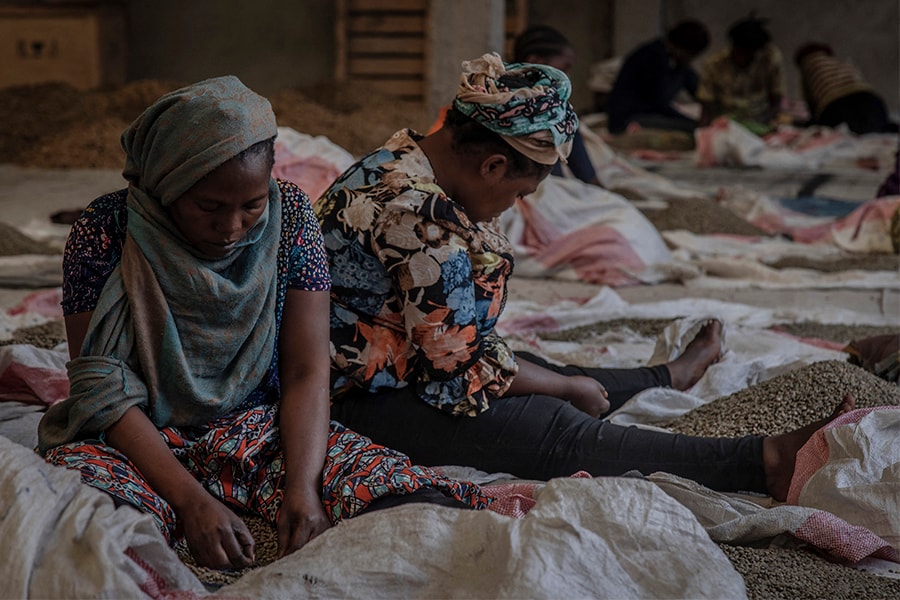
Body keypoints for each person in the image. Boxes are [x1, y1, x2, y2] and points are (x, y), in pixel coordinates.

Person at [315, 53, 854, 503]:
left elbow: (460, 347)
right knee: (556, 426)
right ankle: (763, 462)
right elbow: (459, 369)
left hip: (400, 360)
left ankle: (666, 376)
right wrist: (562, 388)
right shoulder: (417, 218)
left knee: (544, 371)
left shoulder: (399, 159)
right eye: (521, 194)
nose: (514, 206)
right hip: (356, 398)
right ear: (493, 167)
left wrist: (555, 379)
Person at [37, 76, 492, 571]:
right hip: (136, 436)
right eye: (208, 207)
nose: (232, 229)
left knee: (404, 499)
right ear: (164, 187)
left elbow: (306, 370)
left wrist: (302, 488)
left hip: (256, 427)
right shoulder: (106, 230)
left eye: (251, 205)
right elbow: (100, 389)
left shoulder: (291, 215)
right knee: (85, 525)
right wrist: (190, 502)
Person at [511, 25, 602, 186]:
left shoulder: (558, 106)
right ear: (535, 61)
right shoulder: (510, 104)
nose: (566, 77)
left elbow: (580, 161)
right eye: (564, 68)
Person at [605, 19, 710, 134]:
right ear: (681, 49)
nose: (690, 60)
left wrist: (709, 106)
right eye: (691, 55)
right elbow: (660, 103)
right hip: (629, 118)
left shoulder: (676, 63)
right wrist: (691, 121)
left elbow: (698, 89)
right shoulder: (653, 57)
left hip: (648, 112)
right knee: (694, 130)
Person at [696, 13, 785, 135]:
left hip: (759, 122)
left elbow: (776, 101)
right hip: (726, 123)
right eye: (741, 53)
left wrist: (759, 121)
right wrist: (704, 134)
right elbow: (706, 109)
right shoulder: (714, 66)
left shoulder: (769, 60)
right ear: (733, 47)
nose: (744, 59)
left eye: (750, 55)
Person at [794, 42, 895, 135]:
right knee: (877, 127)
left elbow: (811, 105)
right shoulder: (840, 63)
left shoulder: (808, 68)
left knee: (850, 131)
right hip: (871, 100)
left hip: (836, 106)